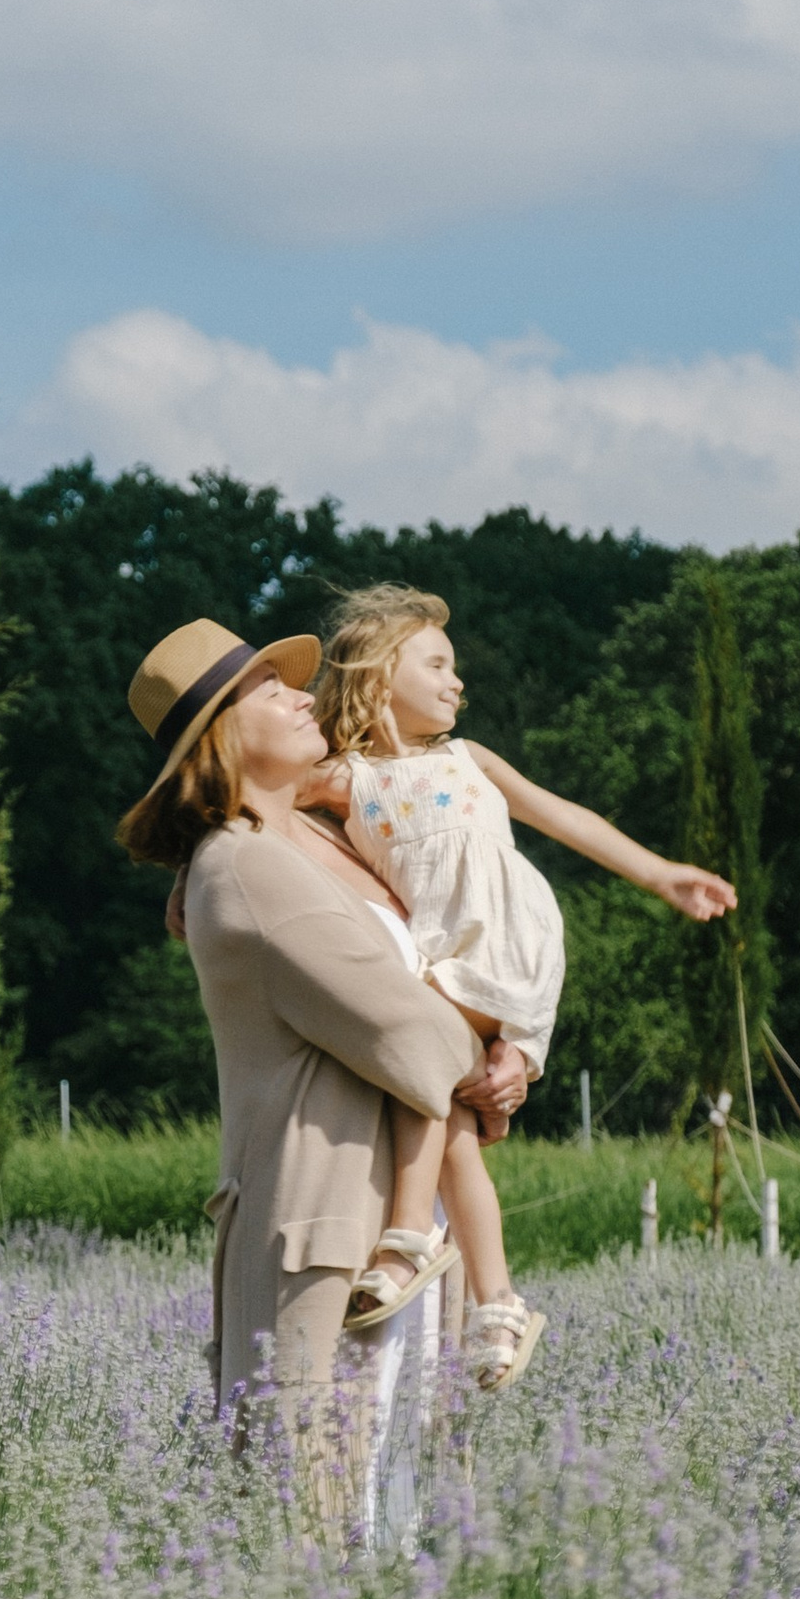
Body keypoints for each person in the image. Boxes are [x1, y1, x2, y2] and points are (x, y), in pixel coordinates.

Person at [116, 617, 525, 1531]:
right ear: (220, 733)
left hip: (399, 1232)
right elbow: (418, 1039)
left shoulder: (298, 850)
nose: (304, 694)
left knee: (400, 1511)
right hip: (335, 1237)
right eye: (270, 687)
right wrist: (500, 1043)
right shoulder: (248, 870)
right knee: (330, 1522)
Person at [308, 587, 736, 1392]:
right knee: (455, 1127)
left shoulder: (469, 760)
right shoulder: (345, 779)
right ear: (375, 677)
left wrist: (660, 875)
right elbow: (250, 806)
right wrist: (193, 869)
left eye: (455, 668)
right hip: (444, 962)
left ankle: (405, 1242)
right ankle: (496, 1303)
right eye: (437, 664)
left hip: (501, 949)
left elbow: (564, 817)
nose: (456, 682)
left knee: (414, 1073)